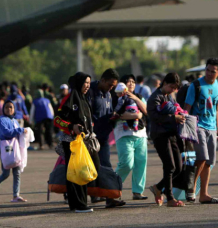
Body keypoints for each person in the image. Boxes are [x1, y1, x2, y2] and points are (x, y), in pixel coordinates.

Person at [54, 72, 99, 213]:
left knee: (83, 171)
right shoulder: (69, 98)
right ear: (79, 83)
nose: (87, 85)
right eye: (85, 82)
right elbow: (57, 119)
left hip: (84, 142)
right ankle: (78, 204)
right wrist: (71, 127)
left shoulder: (85, 99)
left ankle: (79, 203)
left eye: (89, 83)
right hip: (71, 141)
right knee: (76, 173)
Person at [184, 58, 218, 204]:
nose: (209, 73)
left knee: (209, 162)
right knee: (202, 157)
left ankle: (204, 194)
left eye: (212, 71)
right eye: (207, 70)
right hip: (198, 125)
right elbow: (187, 108)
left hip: (212, 127)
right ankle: (191, 189)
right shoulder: (195, 85)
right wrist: (186, 130)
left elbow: (217, 108)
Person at [87, 68, 125, 208]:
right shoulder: (90, 92)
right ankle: (86, 195)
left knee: (106, 166)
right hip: (90, 138)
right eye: (110, 84)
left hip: (103, 138)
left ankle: (110, 197)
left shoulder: (108, 94)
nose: (111, 88)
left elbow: (108, 112)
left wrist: (113, 116)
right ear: (102, 80)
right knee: (89, 168)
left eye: (113, 86)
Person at [147, 73, 185, 207]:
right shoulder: (154, 98)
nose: (173, 90)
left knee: (179, 168)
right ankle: (170, 198)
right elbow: (154, 117)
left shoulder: (169, 97)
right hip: (160, 135)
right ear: (164, 83)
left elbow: (176, 110)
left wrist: (181, 116)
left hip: (172, 134)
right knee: (170, 166)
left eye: (175, 88)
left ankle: (158, 188)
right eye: (171, 87)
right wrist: (173, 118)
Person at [111, 74, 149, 201]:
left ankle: (138, 192)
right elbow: (118, 114)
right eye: (128, 82)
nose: (131, 84)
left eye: (133, 82)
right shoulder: (116, 97)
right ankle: (111, 188)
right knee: (126, 164)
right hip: (123, 134)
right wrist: (136, 116)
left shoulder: (139, 97)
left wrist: (136, 99)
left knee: (140, 163)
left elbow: (146, 111)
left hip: (140, 134)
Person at [0, 100, 29, 203]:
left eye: (11, 107)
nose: (9, 109)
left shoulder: (14, 121)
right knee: (6, 173)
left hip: (16, 148)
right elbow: (6, 133)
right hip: (6, 148)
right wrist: (21, 130)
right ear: (3, 109)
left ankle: (16, 196)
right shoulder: (1, 120)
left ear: (14, 109)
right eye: (7, 107)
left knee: (17, 172)